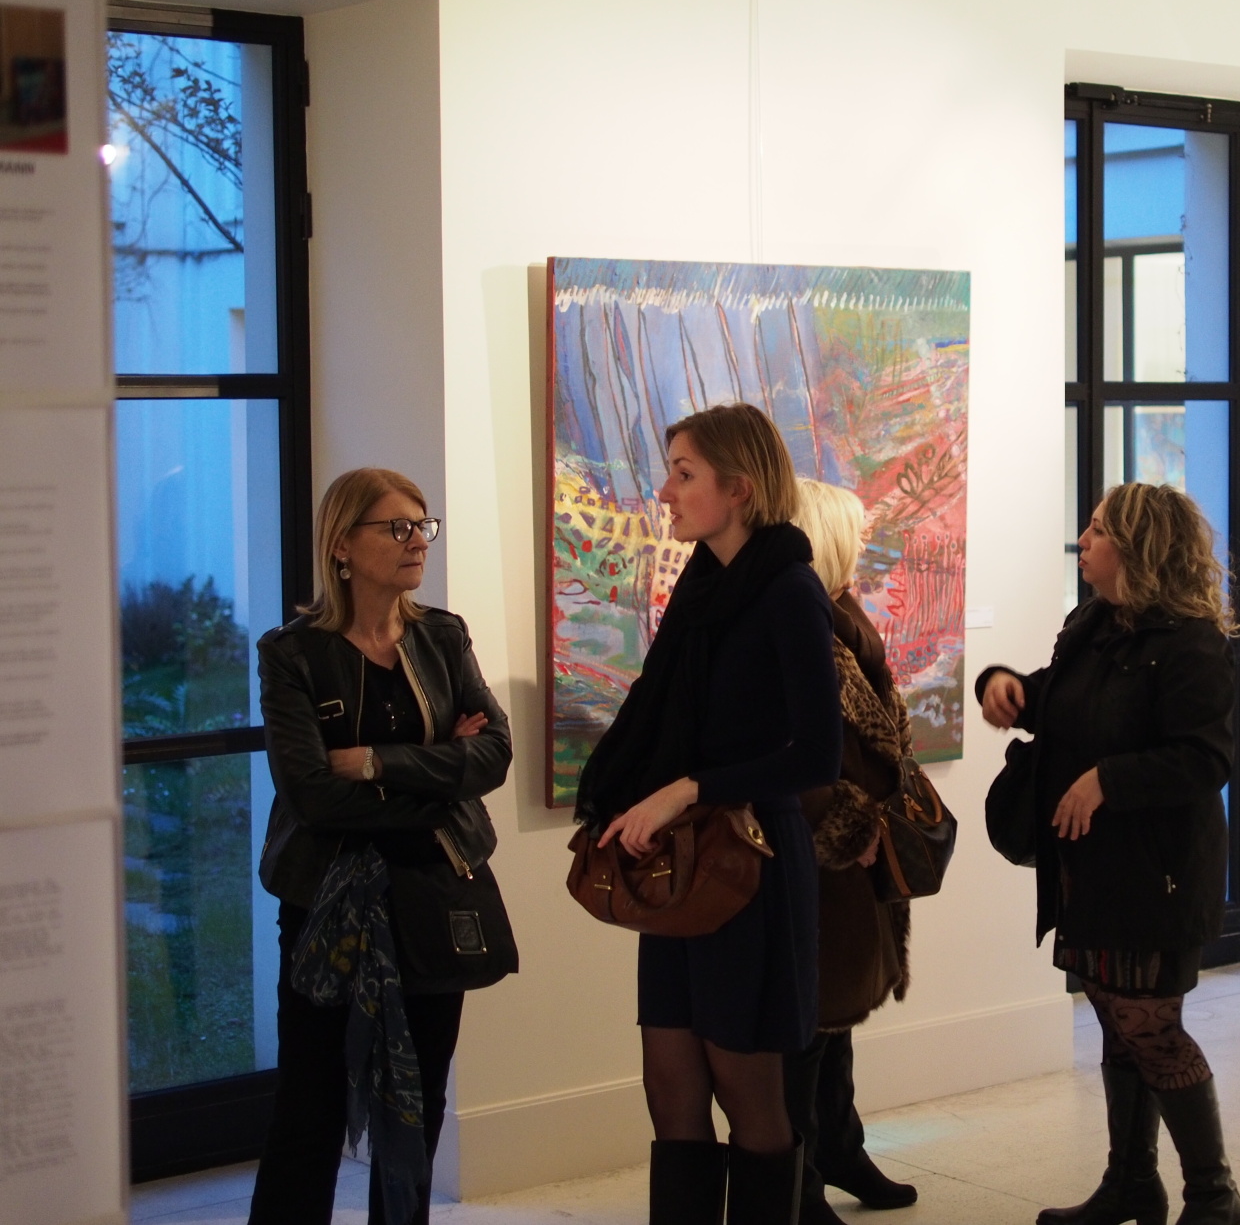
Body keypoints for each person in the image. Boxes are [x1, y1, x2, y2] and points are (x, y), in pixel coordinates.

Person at [574, 404, 843, 1225]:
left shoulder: (790, 591)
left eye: (684, 473)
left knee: (748, 1091)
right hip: (686, 867)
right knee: (671, 1085)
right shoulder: (702, 588)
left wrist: (689, 788)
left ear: (740, 488)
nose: (664, 491)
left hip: (748, 866)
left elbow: (817, 757)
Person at [977, 483, 1240, 1225]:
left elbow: (1204, 759)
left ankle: (1214, 1197)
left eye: (1097, 530)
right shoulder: (1091, 622)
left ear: (1135, 547)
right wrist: (1006, 688)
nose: (1084, 540)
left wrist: (1107, 780)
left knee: (1149, 1027)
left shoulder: (1190, 642)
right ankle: (1131, 1183)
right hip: (1091, 868)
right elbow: (1065, 702)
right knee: (1117, 1023)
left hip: (1157, 873)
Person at [248, 468, 513, 1225]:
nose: (416, 541)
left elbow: (494, 754)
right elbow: (310, 795)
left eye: (423, 526)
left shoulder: (441, 635)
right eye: (396, 527)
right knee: (311, 1105)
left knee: (415, 1104)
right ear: (342, 545)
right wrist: (439, 773)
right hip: (327, 899)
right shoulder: (294, 653)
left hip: (431, 892)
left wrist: (371, 762)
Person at [783, 479, 921, 1223]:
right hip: (817, 854)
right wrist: (850, 825)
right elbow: (795, 752)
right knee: (807, 1021)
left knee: (836, 1016)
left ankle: (839, 1146)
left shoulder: (843, 620)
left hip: (855, 857)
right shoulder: (802, 628)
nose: (866, 543)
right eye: (855, 531)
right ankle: (797, 1179)